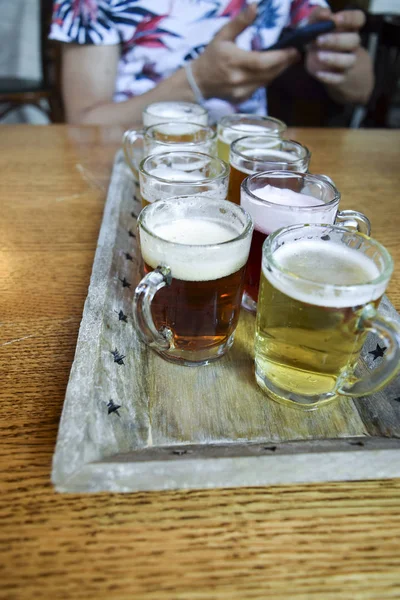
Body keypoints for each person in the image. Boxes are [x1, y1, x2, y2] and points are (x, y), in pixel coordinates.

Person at [50, 0, 374, 126]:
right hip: (128, 161)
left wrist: (337, 56)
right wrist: (197, 82)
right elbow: (83, 125)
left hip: (240, 159)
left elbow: (361, 90)